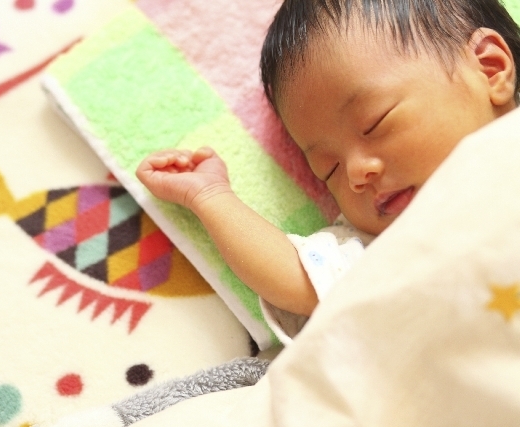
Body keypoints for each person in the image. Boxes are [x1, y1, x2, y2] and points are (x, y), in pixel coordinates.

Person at [136, 0, 520, 344]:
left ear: (489, 68)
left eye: (374, 123)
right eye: (328, 169)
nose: (355, 173)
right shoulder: (383, 249)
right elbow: (296, 277)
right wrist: (211, 197)